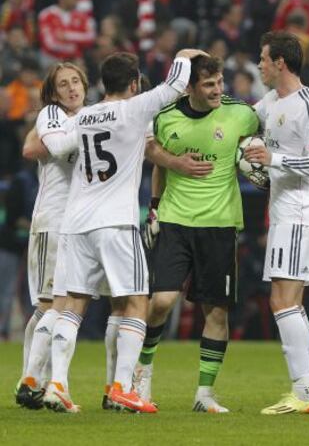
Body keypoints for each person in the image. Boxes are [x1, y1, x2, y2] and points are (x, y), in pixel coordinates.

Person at [43, 48, 206, 414]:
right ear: (133, 84)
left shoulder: (83, 115)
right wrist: (181, 54)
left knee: (72, 304)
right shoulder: (135, 108)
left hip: (75, 223)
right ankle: (121, 386)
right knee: (136, 301)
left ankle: (57, 384)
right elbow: (176, 83)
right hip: (115, 222)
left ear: (102, 83)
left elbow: (56, 146)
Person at [134, 55, 259, 413]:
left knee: (216, 312)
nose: (218, 90)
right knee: (160, 302)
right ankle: (141, 374)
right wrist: (164, 184)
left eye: (219, 82)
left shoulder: (241, 113)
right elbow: (151, 150)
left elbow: (264, 133)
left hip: (219, 225)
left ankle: (204, 395)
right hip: (175, 221)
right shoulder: (166, 116)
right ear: (189, 88)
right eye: (208, 84)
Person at [244, 31, 309, 414]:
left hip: (299, 211)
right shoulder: (272, 101)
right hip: (285, 211)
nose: (259, 65)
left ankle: (305, 394)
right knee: (290, 301)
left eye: (263, 59)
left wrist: (271, 160)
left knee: (281, 299)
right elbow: (246, 116)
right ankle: (304, 390)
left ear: (280, 63)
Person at [16, 62, 88, 409]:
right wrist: (95, 124)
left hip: (80, 223)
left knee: (56, 306)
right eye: (64, 84)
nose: (72, 88)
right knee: (47, 305)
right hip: (53, 220)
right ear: (54, 92)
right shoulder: (53, 115)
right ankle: (32, 379)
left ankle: (34, 379)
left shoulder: (90, 115)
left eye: (76, 81)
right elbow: (50, 148)